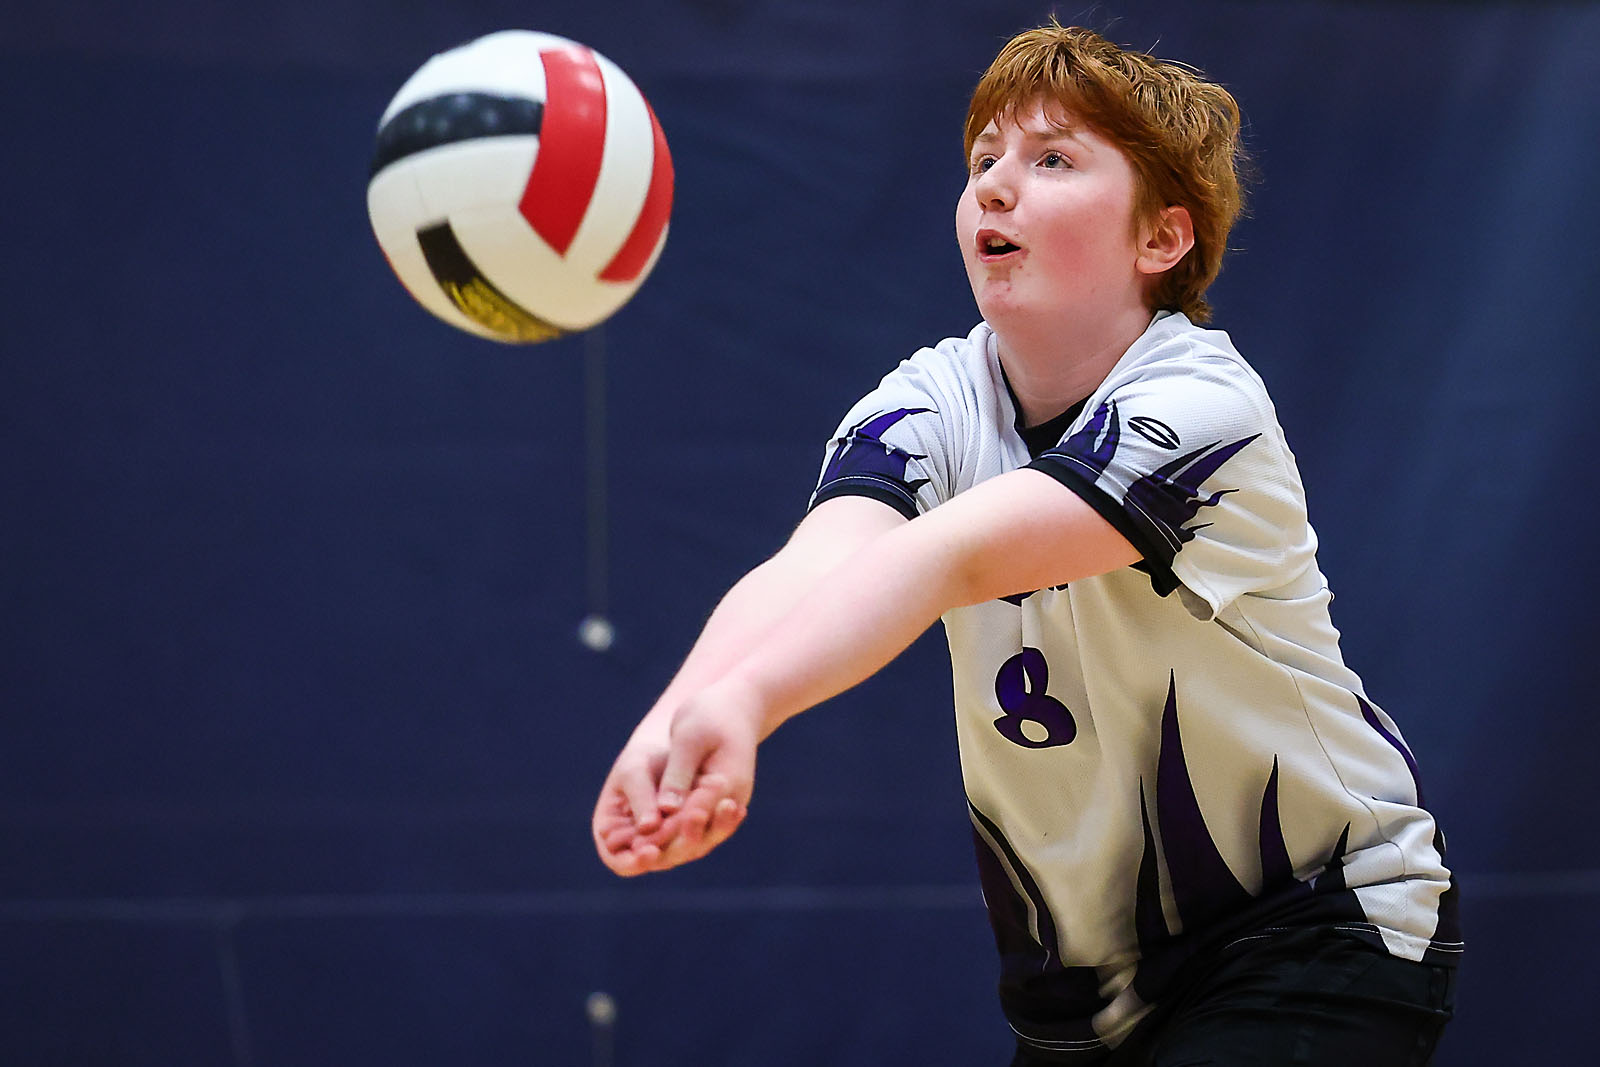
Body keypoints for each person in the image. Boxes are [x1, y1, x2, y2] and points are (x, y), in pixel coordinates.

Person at [591, 21, 1459, 1065]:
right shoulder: (930, 397)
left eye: (1052, 160)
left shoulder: (1202, 404)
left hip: (1316, 923)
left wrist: (749, 701)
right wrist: (677, 720)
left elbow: (937, 560)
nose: (997, 186)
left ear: (1161, 239)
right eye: (983, 161)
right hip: (1084, 996)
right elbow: (818, 561)